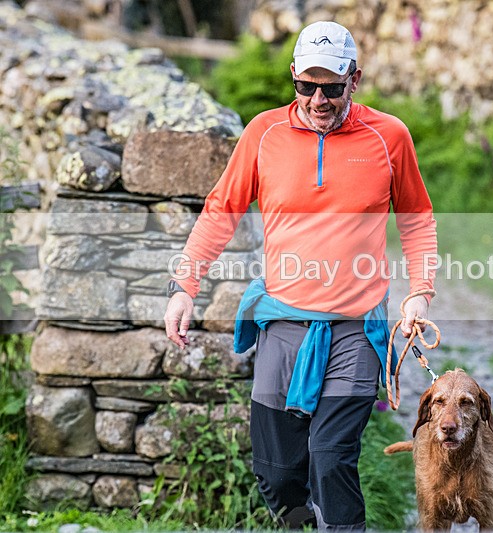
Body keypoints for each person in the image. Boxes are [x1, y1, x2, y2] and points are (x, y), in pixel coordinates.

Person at [163, 20, 438, 531]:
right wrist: (185, 286)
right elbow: (221, 209)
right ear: (293, 77)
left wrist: (419, 293)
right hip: (282, 325)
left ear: (354, 80)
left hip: (355, 330)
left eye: (331, 87)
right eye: (306, 86)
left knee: (332, 460)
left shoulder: (388, 137)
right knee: (277, 472)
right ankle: (299, 523)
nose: (317, 99)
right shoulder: (263, 133)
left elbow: (417, 218)